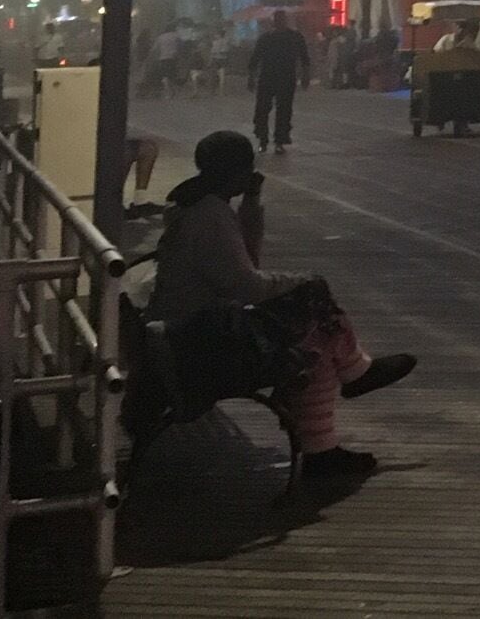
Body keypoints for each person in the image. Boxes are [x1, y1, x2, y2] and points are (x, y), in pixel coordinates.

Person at [149, 130, 416, 477]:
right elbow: (247, 285)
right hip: (198, 341)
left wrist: (250, 203)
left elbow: (245, 262)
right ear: (237, 172)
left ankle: (341, 407)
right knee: (311, 332)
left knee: (311, 329)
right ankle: (343, 401)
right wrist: (301, 280)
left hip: (189, 330)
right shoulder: (209, 217)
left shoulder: (199, 206)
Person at [249, 11, 312, 154]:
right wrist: (251, 77)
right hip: (269, 77)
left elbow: (304, 58)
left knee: (281, 110)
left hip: (284, 77)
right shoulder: (267, 38)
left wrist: (306, 76)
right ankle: (264, 139)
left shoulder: (294, 37)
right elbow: (255, 59)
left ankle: (278, 140)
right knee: (264, 109)